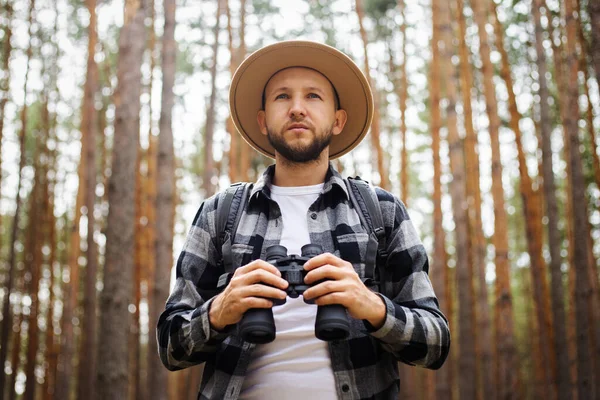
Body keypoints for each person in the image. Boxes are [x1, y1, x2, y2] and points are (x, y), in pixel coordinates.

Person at [157, 40, 450, 400]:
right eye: (282, 97)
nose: (297, 109)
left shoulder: (381, 211)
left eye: (313, 96)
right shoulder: (220, 213)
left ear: (338, 120)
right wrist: (221, 310)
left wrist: (371, 305)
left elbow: (435, 344)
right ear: (263, 121)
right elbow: (170, 347)